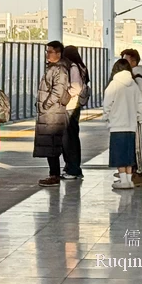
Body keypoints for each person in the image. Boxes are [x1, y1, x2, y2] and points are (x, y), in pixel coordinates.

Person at [103, 59, 142, 190]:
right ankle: (129, 180)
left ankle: (123, 180)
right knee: (128, 153)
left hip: (117, 124)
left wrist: (106, 116)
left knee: (119, 153)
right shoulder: (134, 84)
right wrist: (139, 118)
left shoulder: (114, 84)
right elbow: (139, 104)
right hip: (131, 124)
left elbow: (107, 104)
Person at [34, 41, 71, 187]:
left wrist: (45, 104)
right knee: (50, 144)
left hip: (53, 113)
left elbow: (58, 91)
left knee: (52, 144)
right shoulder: (53, 68)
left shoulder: (59, 70)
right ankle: (53, 173)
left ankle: (54, 175)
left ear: (58, 53)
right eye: (47, 51)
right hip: (49, 112)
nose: (47, 54)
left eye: (50, 52)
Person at [62, 45, 89, 180]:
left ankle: (73, 168)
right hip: (75, 105)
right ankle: (72, 167)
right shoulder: (81, 67)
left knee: (69, 139)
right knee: (72, 137)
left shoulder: (73, 67)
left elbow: (76, 87)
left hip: (70, 106)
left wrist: (63, 98)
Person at [121, 49, 142, 187]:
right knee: (132, 145)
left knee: (138, 147)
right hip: (130, 118)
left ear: (134, 61)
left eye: (126, 60)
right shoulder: (131, 77)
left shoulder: (138, 78)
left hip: (136, 118)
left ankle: (139, 173)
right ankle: (132, 171)